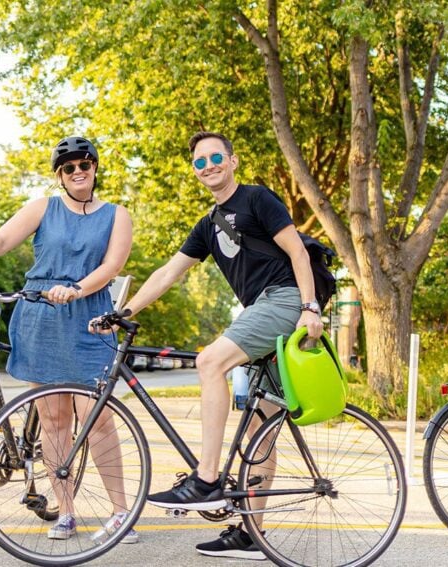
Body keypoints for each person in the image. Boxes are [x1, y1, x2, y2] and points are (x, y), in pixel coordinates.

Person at [100, 131, 323, 559]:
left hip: (285, 300)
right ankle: (252, 534)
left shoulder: (258, 200)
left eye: (215, 157)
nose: (209, 166)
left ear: (233, 160)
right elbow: (169, 273)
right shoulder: (207, 226)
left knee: (210, 361)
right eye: (200, 162)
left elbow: (297, 253)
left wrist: (309, 307)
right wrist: (124, 311)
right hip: (262, 307)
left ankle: (206, 479)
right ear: (195, 171)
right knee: (261, 428)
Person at [0, 136, 138, 544]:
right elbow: (2, 241)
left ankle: (119, 512)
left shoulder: (117, 215)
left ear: (95, 168)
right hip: (40, 316)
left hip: (87, 316)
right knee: (55, 420)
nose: (78, 171)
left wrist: (76, 288)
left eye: (85, 164)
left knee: (97, 419)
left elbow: (112, 266)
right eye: (69, 167)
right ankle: (67, 512)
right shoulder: (43, 207)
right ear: (60, 175)